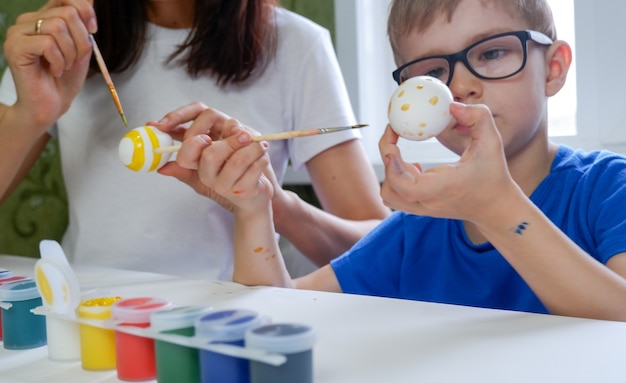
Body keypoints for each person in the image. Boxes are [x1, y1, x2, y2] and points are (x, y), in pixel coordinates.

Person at [179, 0, 626, 322]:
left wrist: (496, 207)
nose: (461, 86)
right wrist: (254, 207)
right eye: (432, 74)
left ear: (553, 68)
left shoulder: (608, 190)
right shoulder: (417, 227)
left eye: (491, 53)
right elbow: (274, 317)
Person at [0, 0, 389, 279]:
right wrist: (29, 115)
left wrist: (272, 203)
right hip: (88, 319)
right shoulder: (65, 42)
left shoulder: (295, 45)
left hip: (227, 325)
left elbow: (379, 248)